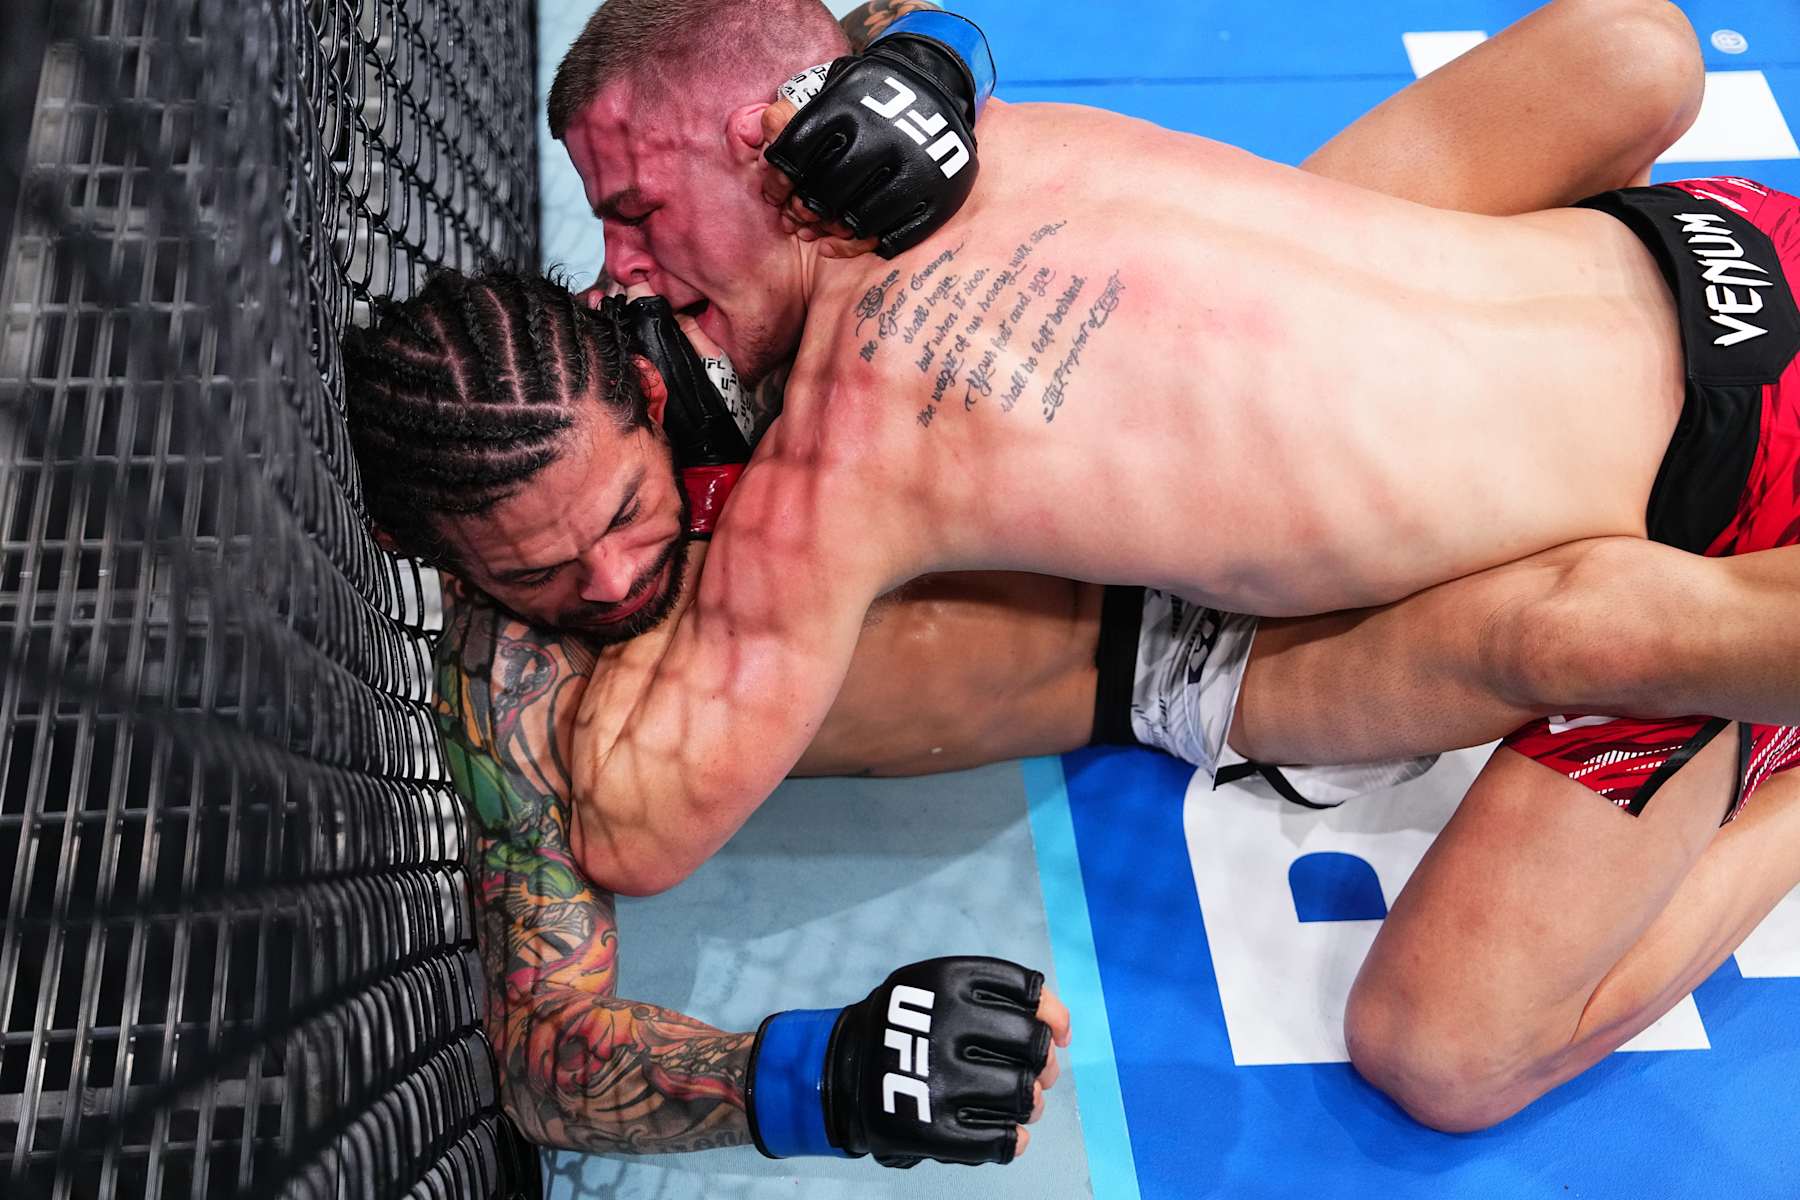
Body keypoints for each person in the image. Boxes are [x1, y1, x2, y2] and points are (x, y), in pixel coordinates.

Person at [356, 0, 1778, 1166]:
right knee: (1618, 84)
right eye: (539, 569)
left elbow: (643, 821)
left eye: (641, 212)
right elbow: (552, 1031)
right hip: (1685, 283)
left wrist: (902, 57)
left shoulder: (832, 442)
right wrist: (806, 1076)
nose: (610, 574)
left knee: (1448, 1034)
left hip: (1693, 508)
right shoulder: (541, 633)